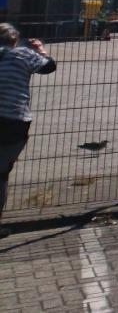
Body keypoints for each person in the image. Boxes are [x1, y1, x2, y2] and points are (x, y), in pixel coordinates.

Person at [0, 24, 57, 232]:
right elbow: (49, 66)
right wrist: (40, 50)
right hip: (14, 120)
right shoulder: (23, 54)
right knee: (1, 172)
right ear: (14, 41)